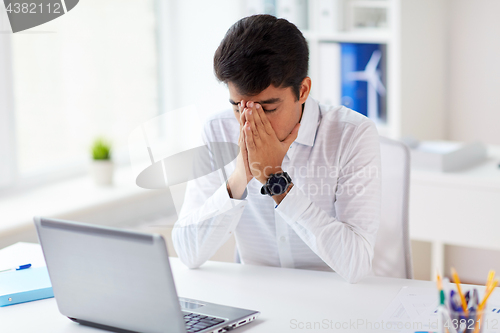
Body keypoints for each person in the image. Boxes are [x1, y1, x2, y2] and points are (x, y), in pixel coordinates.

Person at [172, 14, 381, 284]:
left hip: (335, 299)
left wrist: (275, 179)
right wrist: (239, 177)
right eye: (238, 107)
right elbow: (188, 253)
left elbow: (357, 263)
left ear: (303, 90)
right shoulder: (217, 130)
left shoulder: (352, 134)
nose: (249, 122)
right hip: (257, 301)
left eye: (267, 108)